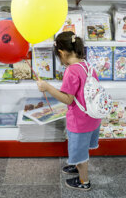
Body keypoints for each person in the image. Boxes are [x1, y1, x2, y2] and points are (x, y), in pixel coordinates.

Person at [36, 31, 100, 191]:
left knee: (80, 152)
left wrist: (47, 87)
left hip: (79, 122)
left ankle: (84, 181)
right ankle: (77, 165)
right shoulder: (87, 65)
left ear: (61, 53)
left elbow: (68, 99)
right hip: (92, 118)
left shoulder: (71, 70)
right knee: (81, 147)